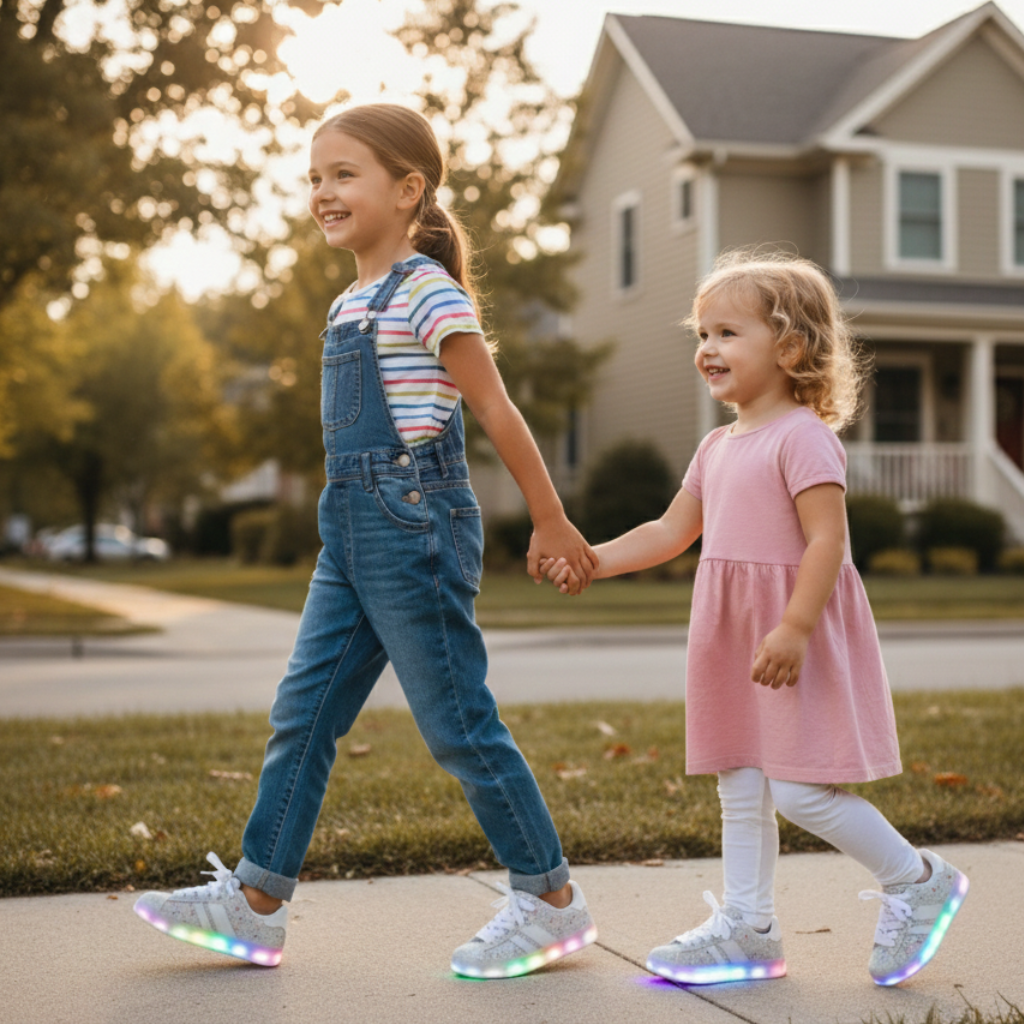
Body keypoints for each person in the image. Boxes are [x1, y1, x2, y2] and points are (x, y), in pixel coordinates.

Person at [134, 103, 599, 979]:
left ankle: (550, 901)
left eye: (344, 174)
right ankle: (256, 903)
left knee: (457, 725)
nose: (323, 192)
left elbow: (494, 406)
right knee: (302, 713)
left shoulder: (426, 290)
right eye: (315, 177)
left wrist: (549, 517)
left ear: (408, 188)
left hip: (414, 526)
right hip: (348, 529)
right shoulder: (348, 301)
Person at [541, 251, 968, 987]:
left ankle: (916, 878)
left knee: (801, 790)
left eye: (727, 333)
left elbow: (827, 541)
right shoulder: (717, 445)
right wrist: (592, 560)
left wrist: (795, 628)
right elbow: (670, 532)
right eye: (702, 334)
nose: (707, 348)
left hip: (791, 632)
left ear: (790, 349)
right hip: (734, 635)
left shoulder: (803, 436)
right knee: (739, 782)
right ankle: (749, 927)